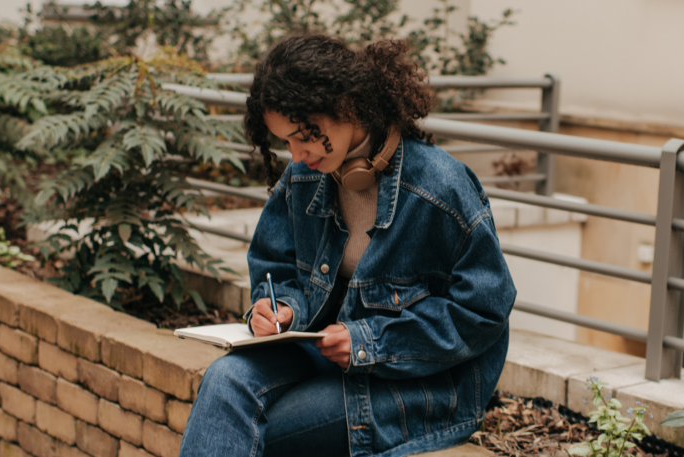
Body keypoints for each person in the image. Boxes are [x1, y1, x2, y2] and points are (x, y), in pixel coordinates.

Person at [179, 35, 516, 457]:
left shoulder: (440, 189)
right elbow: (274, 265)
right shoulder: (303, 178)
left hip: (417, 383)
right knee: (224, 381)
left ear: (349, 105)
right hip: (324, 354)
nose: (297, 154)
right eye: (285, 141)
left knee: (260, 435)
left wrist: (367, 341)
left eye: (303, 134)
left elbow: (484, 310)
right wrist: (278, 307)